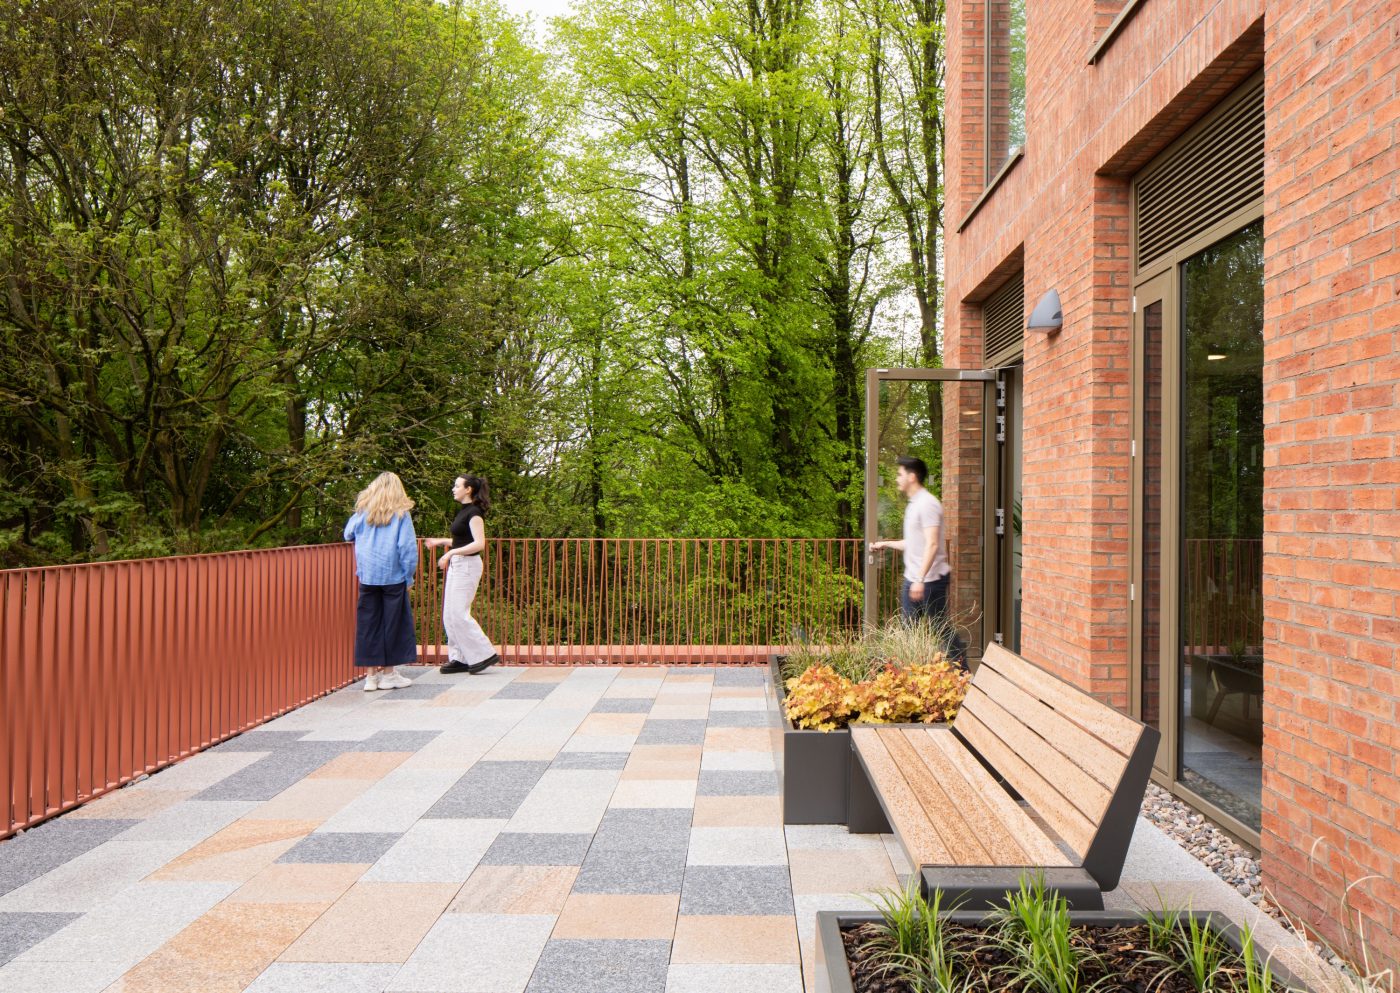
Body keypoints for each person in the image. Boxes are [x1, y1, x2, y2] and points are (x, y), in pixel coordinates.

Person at [869, 455, 968, 668]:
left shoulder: (928, 504)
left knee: (941, 629)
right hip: (914, 580)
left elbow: (932, 544)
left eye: (900, 474)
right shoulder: (913, 505)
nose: (897, 478)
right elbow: (914, 543)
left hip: (931, 581)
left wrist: (920, 580)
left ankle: (964, 673)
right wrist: (885, 545)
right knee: (909, 632)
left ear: (912, 477)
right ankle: (907, 679)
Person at [344, 472, 420, 691]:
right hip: (393, 576)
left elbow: (348, 534)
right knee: (393, 624)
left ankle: (370, 678)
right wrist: (409, 575)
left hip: (367, 576)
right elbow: (406, 549)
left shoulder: (362, 513)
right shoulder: (401, 514)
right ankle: (389, 674)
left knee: (368, 625)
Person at [424, 474, 501, 675]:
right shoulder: (464, 511)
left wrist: (449, 553)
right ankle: (459, 658)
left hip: (468, 566)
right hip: (459, 565)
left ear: (468, 489)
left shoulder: (475, 513)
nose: (453, 488)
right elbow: (462, 540)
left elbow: (479, 544)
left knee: (458, 612)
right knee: (449, 614)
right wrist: (442, 542)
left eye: (457, 485)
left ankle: (483, 654)